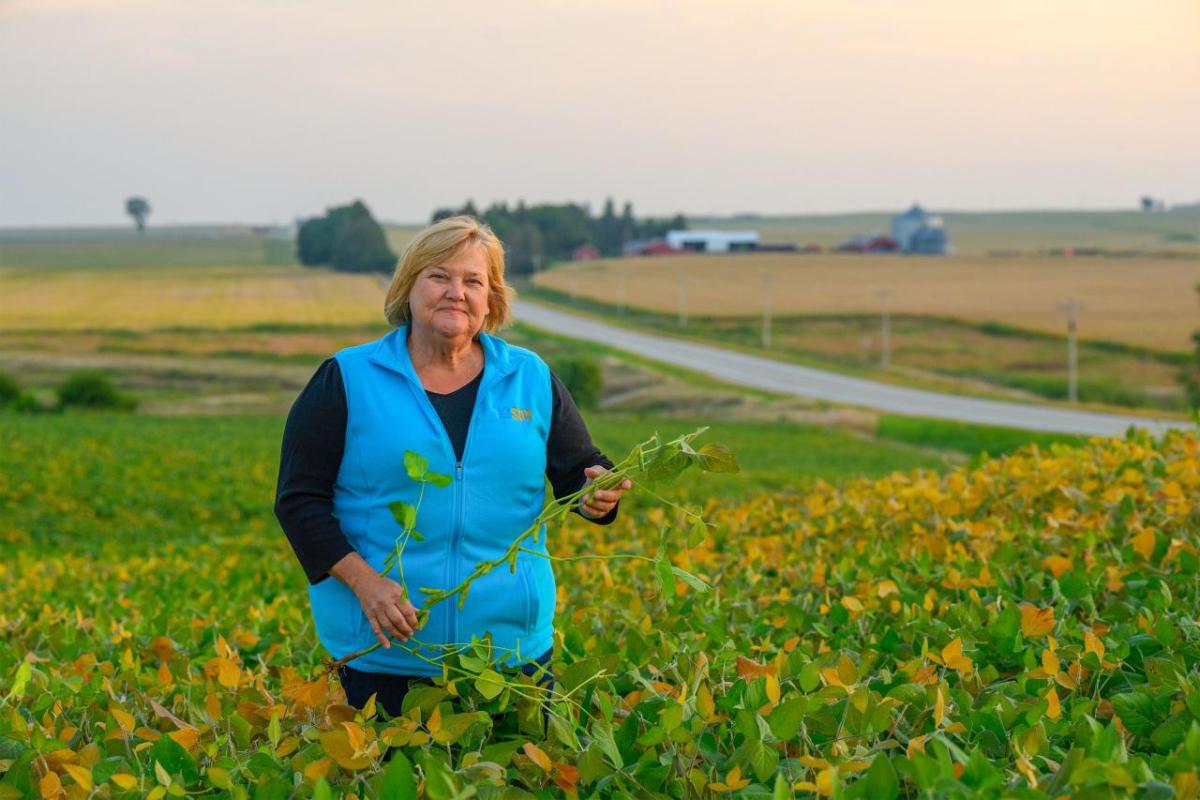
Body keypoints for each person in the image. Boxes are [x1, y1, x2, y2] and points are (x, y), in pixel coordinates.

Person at [274, 215, 631, 717]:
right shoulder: (346, 378)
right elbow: (299, 501)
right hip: (385, 653)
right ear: (409, 286)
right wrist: (367, 586)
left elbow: (580, 471)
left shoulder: (530, 377)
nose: (455, 293)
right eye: (439, 276)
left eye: (473, 281)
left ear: (492, 298)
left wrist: (599, 492)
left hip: (510, 657)